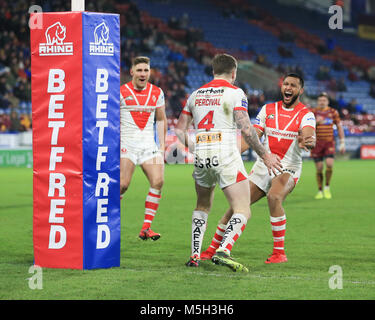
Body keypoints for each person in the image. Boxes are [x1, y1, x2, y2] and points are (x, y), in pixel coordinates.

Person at [175, 53, 282, 272]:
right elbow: (246, 129)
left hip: (202, 151)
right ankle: (223, 250)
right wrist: (265, 155)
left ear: (213, 71)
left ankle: (194, 255)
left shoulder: (195, 95)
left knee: (202, 205)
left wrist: (195, 147)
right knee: (242, 208)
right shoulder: (235, 92)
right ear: (233, 73)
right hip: (225, 152)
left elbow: (179, 129)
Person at [201, 73, 316, 264]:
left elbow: (308, 135)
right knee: (237, 206)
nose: (288, 88)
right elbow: (253, 136)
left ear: (300, 90)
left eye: (293, 85)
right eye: (286, 84)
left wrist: (308, 141)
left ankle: (279, 253)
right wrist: (229, 154)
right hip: (263, 165)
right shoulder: (268, 109)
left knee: (274, 196)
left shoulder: (306, 114)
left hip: (288, 168)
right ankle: (213, 249)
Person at [120, 56, 167, 241]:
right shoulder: (121, 92)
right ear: (132, 72)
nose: (143, 74)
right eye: (139, 70)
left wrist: (162, 146)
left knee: (158, 181)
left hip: (148, 145)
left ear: (150, 72)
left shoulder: (157, 92)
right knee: (123, 185)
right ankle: (105, 219)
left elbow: (161, 119)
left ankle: (146, 228)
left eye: (146, 70)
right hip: (126, 144)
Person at [310, 92, 345, 200]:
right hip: (316, 144)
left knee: (329, 164)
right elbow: (307, 127)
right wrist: (316, 122)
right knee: (319, 168)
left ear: (328, 102)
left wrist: (342, 142)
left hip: (329, 142)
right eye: (320, 100)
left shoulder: (333, 112)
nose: (322, 102)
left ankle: (327, 187)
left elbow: (339, 127)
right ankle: (320, 190)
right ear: (317, 101)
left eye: (324, 100)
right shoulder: (313, 112)